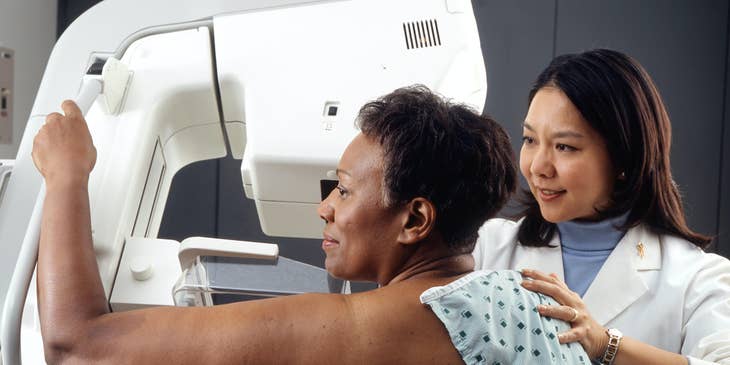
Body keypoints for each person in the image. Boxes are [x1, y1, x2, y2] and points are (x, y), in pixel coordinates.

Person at [33, 85, 589, 364]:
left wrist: (66, 177)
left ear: (415, 218)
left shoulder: (393, 322)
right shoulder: (519, 296)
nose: (324, 208)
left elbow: (78, 344)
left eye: (343, 190)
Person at [473, 49, 730, 365]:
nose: (538, 166)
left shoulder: (697, 279)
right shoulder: (486, 247)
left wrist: (606, 345)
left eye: (564, 147)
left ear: (623, 158)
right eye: (530, 140)